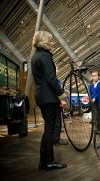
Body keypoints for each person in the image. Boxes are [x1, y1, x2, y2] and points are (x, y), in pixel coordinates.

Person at [31, 31, 67, 170]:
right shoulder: (45, 56)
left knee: (48, 129)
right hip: (49, 98)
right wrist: (61, 96)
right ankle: (49, 162)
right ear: (45, 42)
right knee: (49, 131)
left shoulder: (36, 56)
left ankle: (44, 162)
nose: (52, 43)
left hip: (42, 96)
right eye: (51, 41)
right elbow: (51, 79)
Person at [53, 67, 69, 146]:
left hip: (56, 102)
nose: (57, 70)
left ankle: (56, 138)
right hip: (56, 103)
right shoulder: (54, 80)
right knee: (57, 122)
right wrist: (62, 100)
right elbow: (56, 91)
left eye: (58, 69)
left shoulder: (56, 79)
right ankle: (56, 140)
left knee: (57, 121)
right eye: (56, 68)